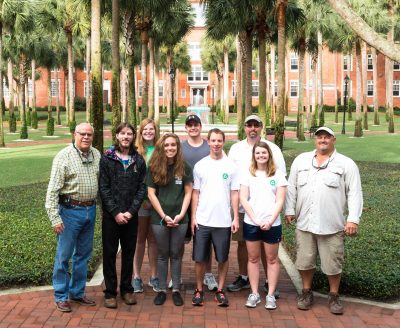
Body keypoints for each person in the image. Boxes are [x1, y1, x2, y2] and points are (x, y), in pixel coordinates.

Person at [285, 127, 362, 315]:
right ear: (315, 140)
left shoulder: (346, 164)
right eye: (319, 136)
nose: (323, 140)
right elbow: (291, 187)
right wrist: (289, 210)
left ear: (334, 140)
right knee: (304, 261)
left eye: (327, 137)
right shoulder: (301, 160)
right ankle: (306, 292)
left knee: (333, 263)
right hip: (305, 223)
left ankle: (334, 295)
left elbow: (354, 192)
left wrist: (353, 219)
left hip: (332, 224)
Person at [227, 115, 286, 295]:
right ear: (244, 128)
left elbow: (281, 179)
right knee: (243, 243)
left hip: (266, 208)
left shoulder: (273, 149)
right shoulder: (236, 149)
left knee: (264, 245)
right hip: (242, 206)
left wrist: (283, 209)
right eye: (249, 125)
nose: (252, 128)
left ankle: (269, 281)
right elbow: (230, 177)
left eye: (256, 125)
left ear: (261, 127)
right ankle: (244, 277)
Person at [45, 123, 101, 313]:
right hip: (69, 211)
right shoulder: (64, 156)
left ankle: (77, 292)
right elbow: (52, 190)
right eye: (82, 134)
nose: (86, 137)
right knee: (64, 255)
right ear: (74, 134)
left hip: (90, 210)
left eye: (89, 134)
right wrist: (55, 218)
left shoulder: (96, 154)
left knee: (83, 255)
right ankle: (61, 296)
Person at [99, 123, 147, 309]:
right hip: (112, 216)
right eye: (123, 133)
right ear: (117, 136)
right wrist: (116, 212)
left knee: (129, 253)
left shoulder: (138, 160)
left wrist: (130, 211)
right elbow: (103, 188)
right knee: (110, 253)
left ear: (133, 137)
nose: (126, 136)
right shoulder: (107, 159)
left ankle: (127, 290)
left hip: (131, 216)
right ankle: (110, 292)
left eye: (129, 133)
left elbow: (142, 188)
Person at [191, 128, 239, 307]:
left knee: (223, 258)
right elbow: (196, 193)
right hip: (203, 220)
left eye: (219, 140)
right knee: (199, 258)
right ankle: (199, 290)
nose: (216, 144)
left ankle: (220, 289)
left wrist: (235, 218)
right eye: (213, 140)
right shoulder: (200, 165)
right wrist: (194, 217)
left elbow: (235, 193)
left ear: (223, 142)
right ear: (208, 142)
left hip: (223, 222)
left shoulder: (231, 166)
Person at [146, 133, 193, 306]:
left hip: (180, 218)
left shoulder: (185, 167)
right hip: (159, 218)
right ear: (161, 147)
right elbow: (151, 193)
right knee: (162, 254)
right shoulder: (153, 167)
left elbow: (189, 192)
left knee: (176, 254)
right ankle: (162, 290)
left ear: (178, 147)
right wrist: (164, 216)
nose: (170, 148)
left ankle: (176, 290)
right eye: (166, 145)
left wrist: (181, 214)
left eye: (173, 145)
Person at [239, 142, 287, 310]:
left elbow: (280, 200)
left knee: (272, 259)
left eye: (264, 153)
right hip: (252, 223)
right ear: (254, 155)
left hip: (272, 224)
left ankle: (270, 295)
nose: (261, 155)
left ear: (269, 155)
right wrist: (256, 220)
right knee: (253, 259)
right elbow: (243, 199)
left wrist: (270, 220)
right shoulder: (247, 174)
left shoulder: (278, 175)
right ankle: (254, 293)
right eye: (258, 153)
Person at [180, 114, 218, 292]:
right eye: (190, 125)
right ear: (186, 128)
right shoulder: (180, 147)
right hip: (183, 200)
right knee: (179, 239)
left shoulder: (208, 146)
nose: (193, 127)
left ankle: (208, 275)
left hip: (205, 201)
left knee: (205, 240)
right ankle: (177, 274)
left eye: (196, 124)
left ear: (201, 127)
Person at [132, 119, 160, 293]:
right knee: (139, 239)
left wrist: (154, 198)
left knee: (154, 239)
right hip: (141, 202)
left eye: (152, 129)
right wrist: (143, 199)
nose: (149, 132)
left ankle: (154, 276)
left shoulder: (161, 151)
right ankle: (136, 277)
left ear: (156, 131)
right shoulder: (136, 152)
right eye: (145, 129)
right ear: (140, 132)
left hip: (157, 201)